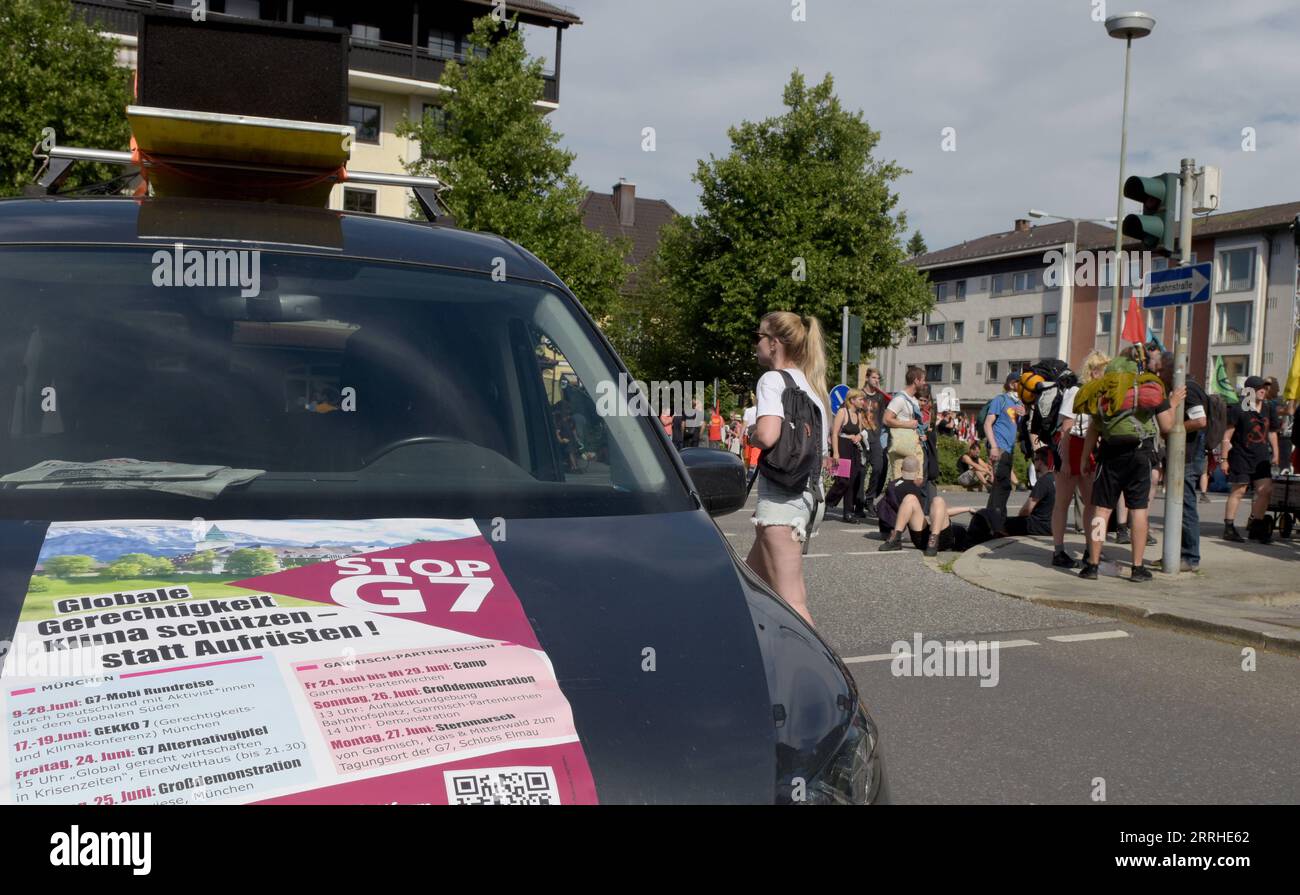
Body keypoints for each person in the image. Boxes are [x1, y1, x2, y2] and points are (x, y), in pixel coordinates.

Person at [745, 311, 830, 626]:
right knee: (750, 584)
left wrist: (750, 432)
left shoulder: (772, 380)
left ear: (774, 343)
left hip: (782, 503)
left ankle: (819, 672)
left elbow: (767, 435)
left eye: (759, 337)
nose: (756, 344)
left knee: (794, 604)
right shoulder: (812, 386)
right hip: (805, 498)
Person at [1078, 356, 1183, 582]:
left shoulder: (1103, 394)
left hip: (1109, 455)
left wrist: (1085, 458)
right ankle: (1137, 568)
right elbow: (1167, 426)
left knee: (1102, 511)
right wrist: (1172, 404)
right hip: (1140, 454)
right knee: (1138, 510)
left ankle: (1093, 565)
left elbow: (1093, 431)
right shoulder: (1148, 392)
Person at [1049, 351, 1108, 568]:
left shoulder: (1099, 392)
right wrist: (1064, 461)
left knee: (1092, 503)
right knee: (1063, 502)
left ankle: (1090, 551)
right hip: (1070, 445)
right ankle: (1058, 551)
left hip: (1087, 447)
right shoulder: (1076, 392)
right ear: (1094, 372)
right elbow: (1066, 427)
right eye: (1104, 371)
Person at [1157, 350, 1208, 571]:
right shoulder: (1176, 390)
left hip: (1187, 455)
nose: (1158, 373)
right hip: (1180, 456)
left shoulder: (1190, 388)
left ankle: (1190, 557)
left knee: (1185, 506)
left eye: (1161, 369)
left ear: (1173, 368)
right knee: (1177, 506)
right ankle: (1174, 553)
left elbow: (1200, 420)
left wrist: (1174, 430)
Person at [1221, 375, 1279, 544]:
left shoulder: (1269, 409)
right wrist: (1224, 459)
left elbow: (1272, 432)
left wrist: (1276, 452)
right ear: (1249, 391)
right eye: (1258, 388)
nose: (1262, 390)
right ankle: (1229, 528)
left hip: (1261, 456)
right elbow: (1227, 436)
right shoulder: (1239, 409)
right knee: (1238, 491)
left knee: (1265, 491)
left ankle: (1257, 527)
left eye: (1264, 388)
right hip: (1241, 455)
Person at [876, 457, 974, 556]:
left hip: (938, 540)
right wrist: (968, 508)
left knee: (937, 500)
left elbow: (943, 512)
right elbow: (944, 512)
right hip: (927, 539)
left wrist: (968, 509)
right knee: (913, 498)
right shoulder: (951, 526)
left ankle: (933, 541)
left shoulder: (894, 484)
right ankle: (896, 538)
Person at [984, 373, 1023, 524]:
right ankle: (997, 520)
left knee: (1000, 485)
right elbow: (988, 423)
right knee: (1002, 484)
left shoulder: (1018, 402)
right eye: (1020, 383)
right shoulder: (1000, 400)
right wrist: (993, 446)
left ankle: (990, 519)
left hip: (1009, 448)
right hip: (999, 446)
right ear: (1012, 384)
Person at [826, 389, 868, 523]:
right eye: (861, 399)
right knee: (842, 481)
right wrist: (836, 452)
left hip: (854, 450)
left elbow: (861, 432)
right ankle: (827, 502)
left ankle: (848, 513)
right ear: (852, 400)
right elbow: (834, 433)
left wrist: (858, 436)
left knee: (851, 482)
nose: (863, 402)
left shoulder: (859, 414)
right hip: (842, 448)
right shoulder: (842, 412)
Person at [884, 366, 927, 481]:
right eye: (923, 380)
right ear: (916, 381)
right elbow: (886, 419)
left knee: (918, 480)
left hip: (914, 445)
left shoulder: (913, 400)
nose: (924, 383)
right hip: (901, 447)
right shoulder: (900, 399)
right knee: (900, 483)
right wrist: (908, 424)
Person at [1003, 447, 1055, 536]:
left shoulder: (1043, 481)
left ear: (1040, 462)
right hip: (1054, 525)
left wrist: (1019, 519)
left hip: (1040, 525)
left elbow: (1027, 509)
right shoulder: (1057, 479)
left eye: (1034, 460)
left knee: (1002, 524)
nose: (1034, 463)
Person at [862, 368, 890, 507]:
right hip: (861, 436)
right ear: (867, 378)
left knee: (879, 467)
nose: (876, 380)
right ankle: (857, 500)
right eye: (874, 377)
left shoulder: (879, 397)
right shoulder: (859, 394)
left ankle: (870, 498)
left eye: (878, 378)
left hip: (875, 437)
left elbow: (886, 414)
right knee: (859, 471)